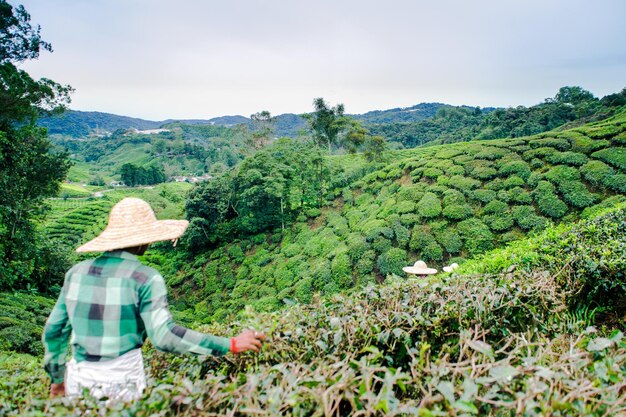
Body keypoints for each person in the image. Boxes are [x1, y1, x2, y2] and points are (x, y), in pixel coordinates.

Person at [43, 197, 265, 401]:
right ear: (143, 241)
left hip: (78, 379)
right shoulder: (145, 278)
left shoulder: (76, 273)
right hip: (121, 383)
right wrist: (230, 344)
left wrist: (57, 378)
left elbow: (54, 330)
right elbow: (163, 336)